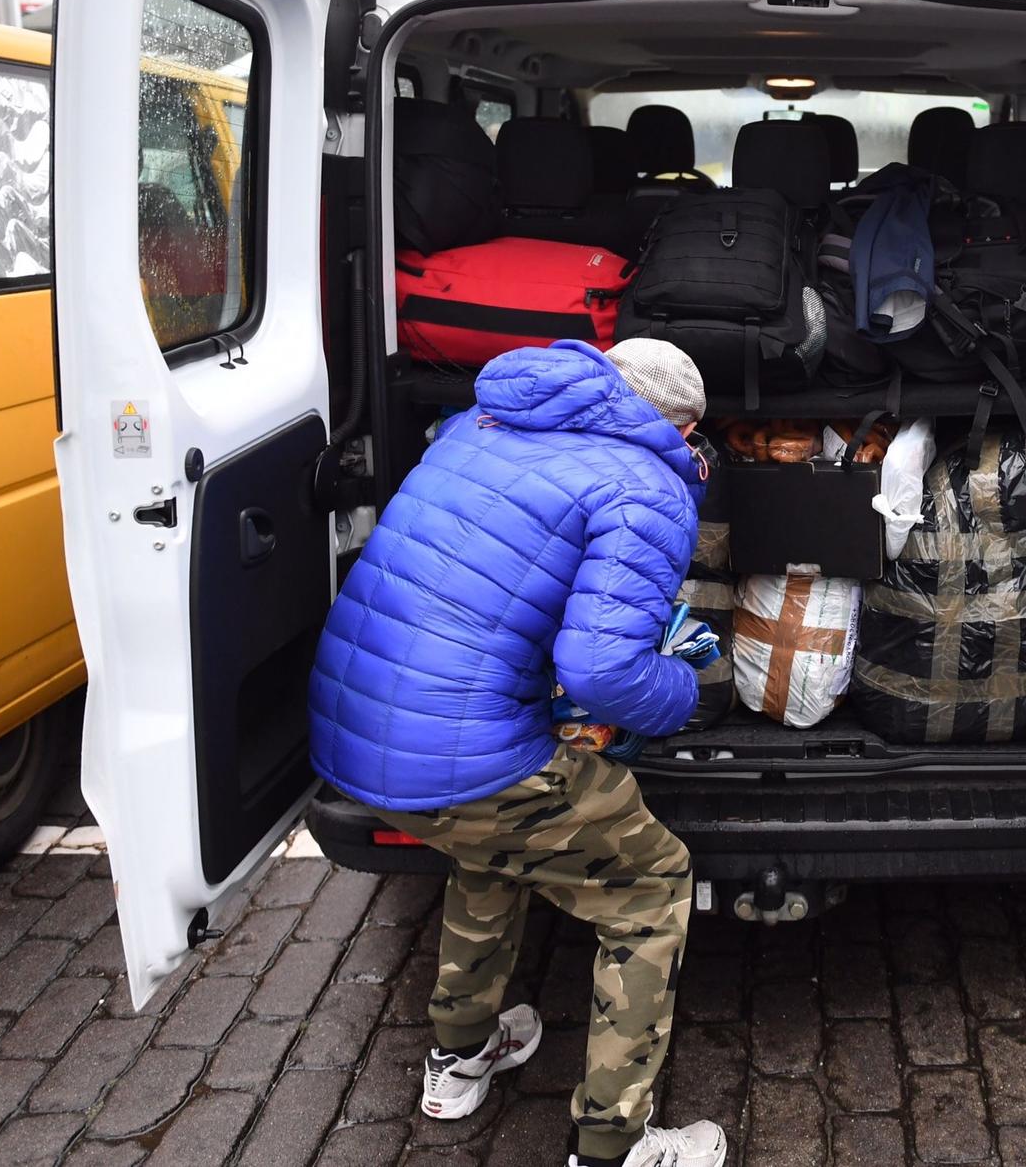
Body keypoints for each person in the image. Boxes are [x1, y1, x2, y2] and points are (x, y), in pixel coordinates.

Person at [308, 337, 727, 1167]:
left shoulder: (477, 424)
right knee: (650, 885)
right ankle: (616, 1145)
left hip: (355, 735)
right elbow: (603, 670)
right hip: (464, 758)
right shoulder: (644, 486)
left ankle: (462, 1058)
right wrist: (686, 695)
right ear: (678, 425)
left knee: (497, 849)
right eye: (693, 438)